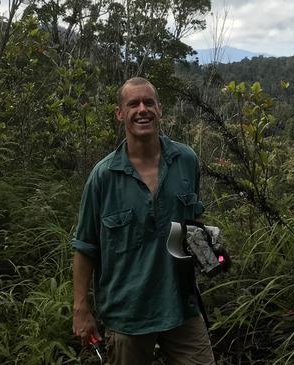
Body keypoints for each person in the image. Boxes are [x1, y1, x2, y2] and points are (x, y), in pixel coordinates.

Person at [71, 77, 215, 365]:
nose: (142, 109)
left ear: (160, 109)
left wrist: (209, 250)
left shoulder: (185, 160)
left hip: (181, 305)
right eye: (133, 103)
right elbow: (85, 245)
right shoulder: (104, 177)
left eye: (149, 102)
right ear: (120, 113)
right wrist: (81, 308)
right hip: (128, 313)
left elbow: (193, 222)